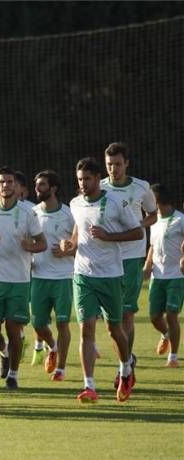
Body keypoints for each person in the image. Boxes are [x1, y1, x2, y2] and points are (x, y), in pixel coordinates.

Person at [60, 157, 143, 404]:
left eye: (87, 179)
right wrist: (69, 244)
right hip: (83, 275)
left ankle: (126, 369)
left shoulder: (116, 201)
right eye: (79, 179)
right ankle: (89, 386)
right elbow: (77, 232)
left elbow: (138, 232)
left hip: (111, 276)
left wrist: (109, 236)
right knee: (86, 329)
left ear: (97, 179)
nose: (83, 183)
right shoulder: (75, 204)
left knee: (114, 330)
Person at [0, 167, 46, 390]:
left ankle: (13, 375)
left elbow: (42, 243)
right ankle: (6, 351)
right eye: (2, 182)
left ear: (16, 186)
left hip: (19, 280)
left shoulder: (28, 212)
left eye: (10, 182)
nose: (6, 185)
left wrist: (31, 246)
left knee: (13, 328)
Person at [100, 142, 158, 385]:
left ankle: (123, 368)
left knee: (125, 314)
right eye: (109, 165)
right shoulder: (99, 187)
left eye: (118, 164)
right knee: (110, 321)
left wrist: (139, 227)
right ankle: (128, 359)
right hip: (106, 257)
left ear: (127, 164)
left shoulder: (141, 187)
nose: (114, 169)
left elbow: (153, 214)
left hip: (132, 256)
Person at [30, 170, 75, 381]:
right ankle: (53, 347)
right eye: (37, 184)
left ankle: (61, 369)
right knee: (38, 324)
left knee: (62, 324)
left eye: (42, 185)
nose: (38, 188)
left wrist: (69, 250)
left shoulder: (69, 214)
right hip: (38, 277)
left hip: (64, 277)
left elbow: (82, 245)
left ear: (54, 188)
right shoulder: (32, 212)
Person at [143, 183, 183, 368]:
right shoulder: (153, 220)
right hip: (157, 277)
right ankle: (166, 334)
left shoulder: (180, 220)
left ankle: (173, 357)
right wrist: (147, 265)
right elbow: (152, 246)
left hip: (177, 276)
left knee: (172, 314)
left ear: (157, 199)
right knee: (154, 316)